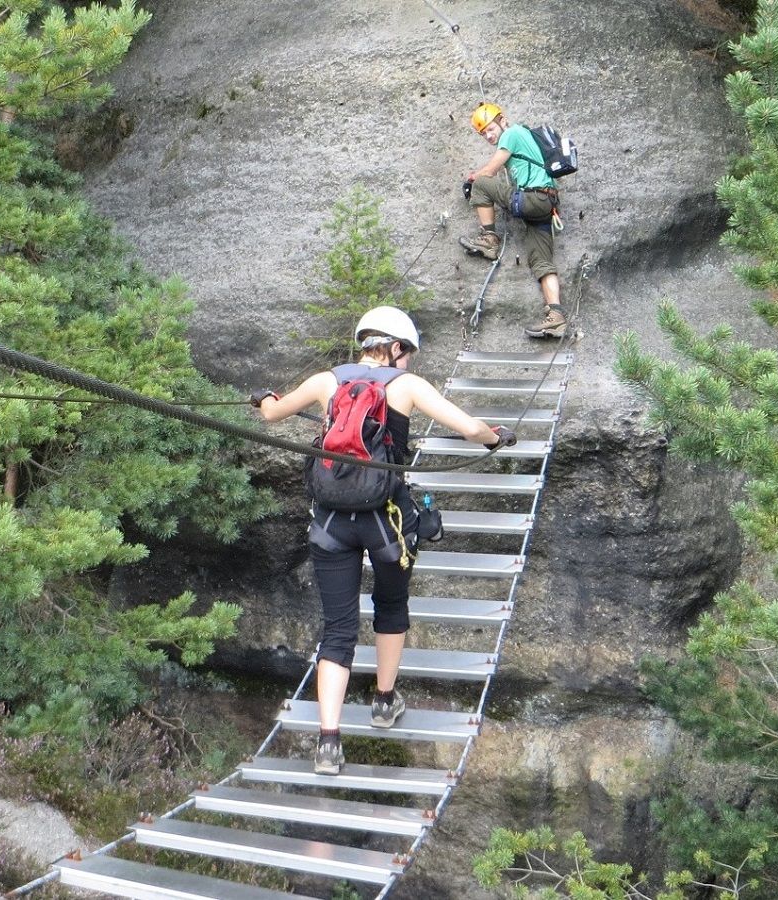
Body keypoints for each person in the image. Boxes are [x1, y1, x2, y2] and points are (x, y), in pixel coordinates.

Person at [249, 307, 516, 774]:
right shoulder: (406, 387)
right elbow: (470, 428)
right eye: (406, 352)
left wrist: (263, 399)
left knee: (338, 630)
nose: (407, 361)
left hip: (330, 522)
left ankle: (328, 744)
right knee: (391, 607)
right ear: (394, 347)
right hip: (386, 521)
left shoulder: (325, 381)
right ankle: (384, 702)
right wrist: (496, 439)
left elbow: (272, 414)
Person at [458, 102, 566, 339]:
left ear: (502, 120)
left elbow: (490, 171)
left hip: (534, 199)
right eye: (483, 133)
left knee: (481, 183)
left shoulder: (513, 133)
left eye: (490, 128)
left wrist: (472, 180)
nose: (488, 135)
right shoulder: (522, 137)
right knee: (541, 261)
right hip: (545, 204)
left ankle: (489, 240)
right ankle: (556, 317)